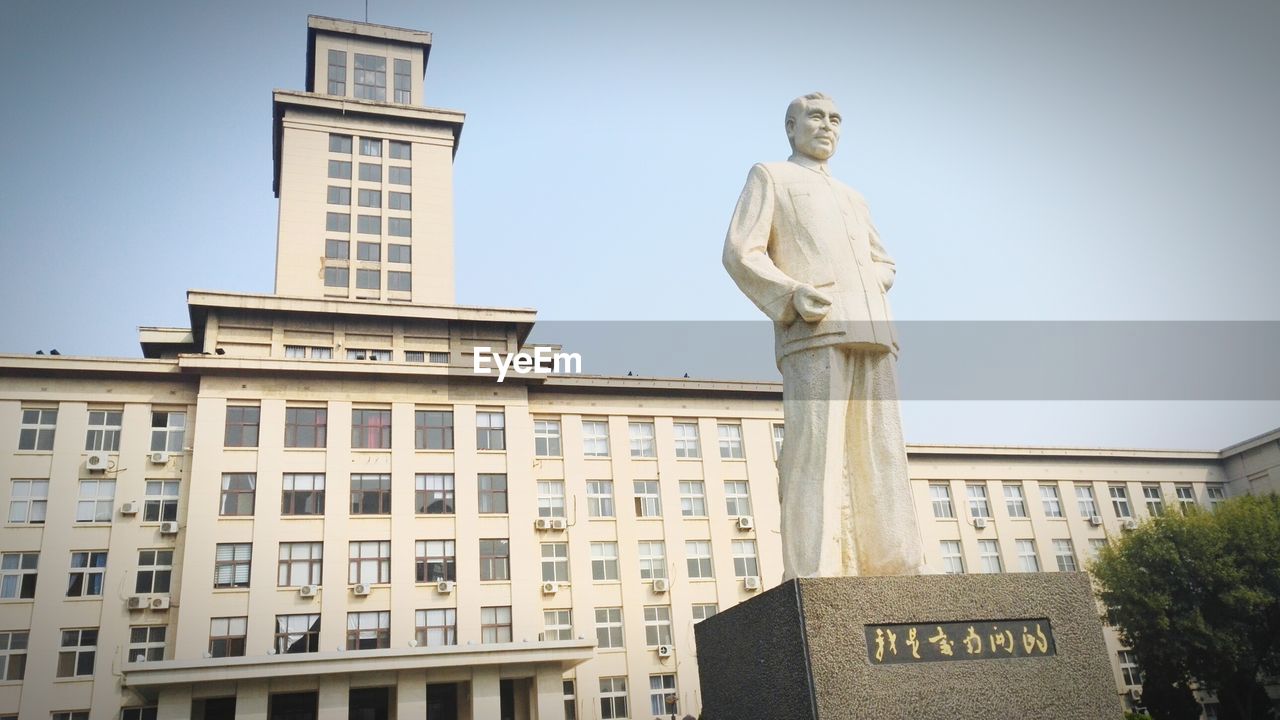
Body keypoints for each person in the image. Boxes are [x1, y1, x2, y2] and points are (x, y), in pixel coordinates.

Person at [722, 92, 927, 579]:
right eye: (815, 117)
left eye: (835, 119)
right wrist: (790, 294)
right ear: (791, 127)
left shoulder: (853, 196)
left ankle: (896, 563)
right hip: (813, 329)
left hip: (872, 328)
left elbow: (884, 259)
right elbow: (740, 252)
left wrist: (876, 283)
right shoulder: (771, 176)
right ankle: (814, 569)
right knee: (815, 448)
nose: (827, 125)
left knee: (881, 448)